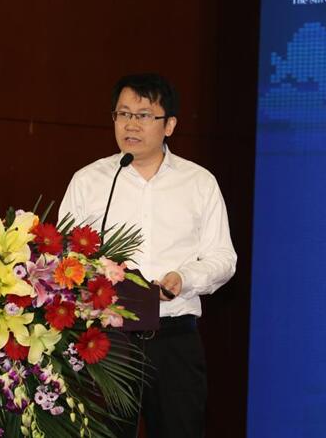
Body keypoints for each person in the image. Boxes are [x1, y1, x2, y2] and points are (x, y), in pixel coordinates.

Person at [58, 73, 237, 438]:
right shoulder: (89, 181)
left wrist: (184, 279)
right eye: (123, 114)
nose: (131, 124)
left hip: (173, 339)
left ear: (169, 125)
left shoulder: (199, 182)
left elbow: (223, 257)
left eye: (143, 115)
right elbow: (64, 258)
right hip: (106, 340)